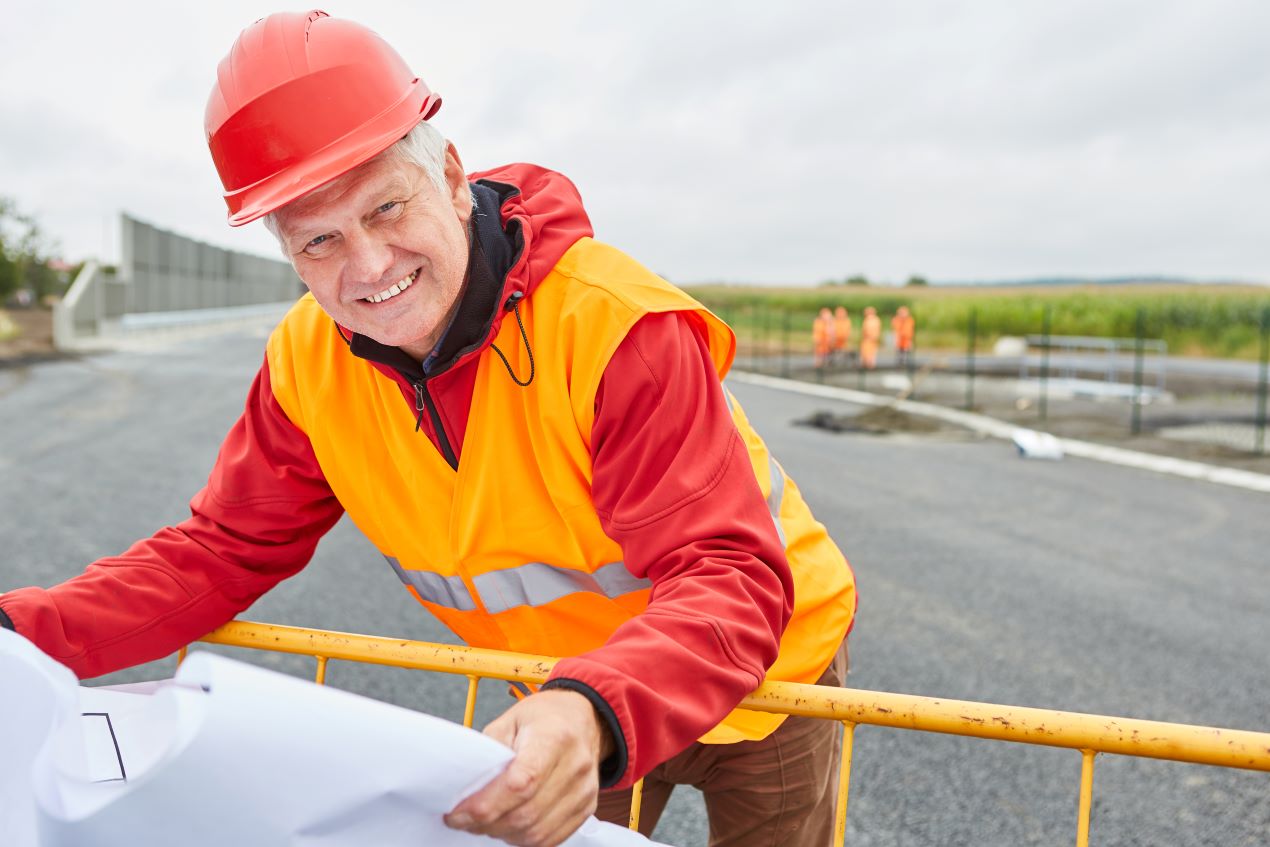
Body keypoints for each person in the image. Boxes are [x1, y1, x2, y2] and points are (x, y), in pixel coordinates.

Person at [0, 11, 856, 847]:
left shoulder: (610, 325)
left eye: (385, 208)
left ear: (449, 175)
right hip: (565, 698)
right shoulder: (307, 361)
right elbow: (221, 550)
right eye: (320, 240)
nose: (368, 267)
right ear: (287, 253)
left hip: (769, 674)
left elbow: (731, 572)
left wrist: (592, 706)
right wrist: (16, 635)